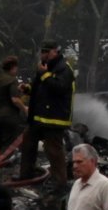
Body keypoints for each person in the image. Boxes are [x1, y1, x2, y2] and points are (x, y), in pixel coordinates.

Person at [19, 40, 75, 187]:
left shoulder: (64, 69)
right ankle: (25, 175)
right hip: (38, 118)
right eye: (42, 51)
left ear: (55, 52)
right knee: (27, 144)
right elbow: (39, 87)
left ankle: (60, 183)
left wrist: (44, 75)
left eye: (46, 52)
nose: (43, 54)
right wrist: (27, 89)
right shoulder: (45, 67)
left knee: (54, 152)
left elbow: (59, 88)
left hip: (54, 120)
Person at [0, 56, 28, 152]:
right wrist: (24, 109)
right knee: (10, 147)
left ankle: (0, 165)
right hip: (9, 118)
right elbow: (15, 100)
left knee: (2, 145)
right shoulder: (12, 80)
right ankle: (5, 165)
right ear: (13, 67)